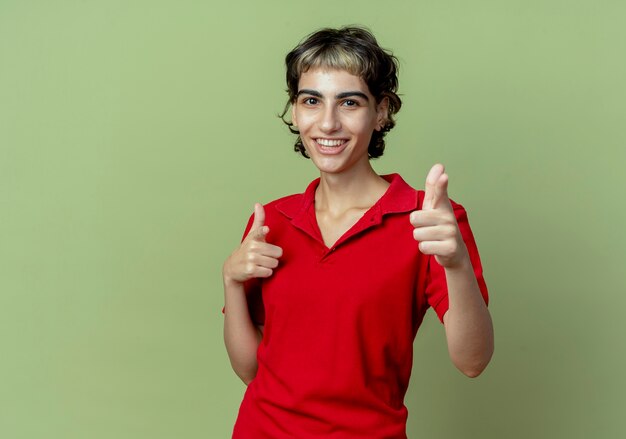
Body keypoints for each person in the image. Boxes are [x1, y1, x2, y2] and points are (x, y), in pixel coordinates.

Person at [221, 26, 494, 438]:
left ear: (381, 111)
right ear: (295, 112)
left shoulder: (429, 219)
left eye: (349, 102)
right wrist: (231, 280)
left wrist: (455, 264)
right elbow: (251, 370)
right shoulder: (272, 220)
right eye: (311, 101)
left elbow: (473, 361)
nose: (328, 123)